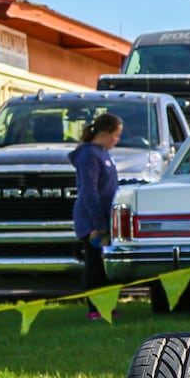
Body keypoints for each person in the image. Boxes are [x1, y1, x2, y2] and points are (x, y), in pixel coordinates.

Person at [71, 112, 123, 320]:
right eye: (116, 135)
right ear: (104, 133)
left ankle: (108, 306)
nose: (117, 140)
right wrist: (99, 225)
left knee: (106, 265)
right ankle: (95, 309)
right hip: (92, 221)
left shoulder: (103, 153)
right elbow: (89, 192)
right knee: (95, 265)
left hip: (106, 218)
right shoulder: (88, 155)